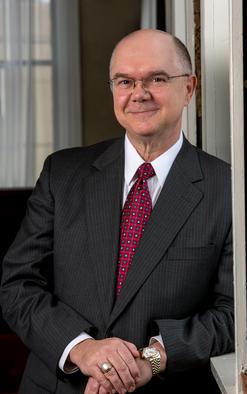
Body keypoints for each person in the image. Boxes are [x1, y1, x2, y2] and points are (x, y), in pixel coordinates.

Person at [0, 29, 234, 394]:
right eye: (125, 81)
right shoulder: (62, 174)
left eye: (157, 78)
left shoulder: (226, 188)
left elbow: (232, 314)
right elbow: (18, 285)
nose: (138, 93)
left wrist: (151, 360)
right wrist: (82, 348)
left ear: (189, 88)